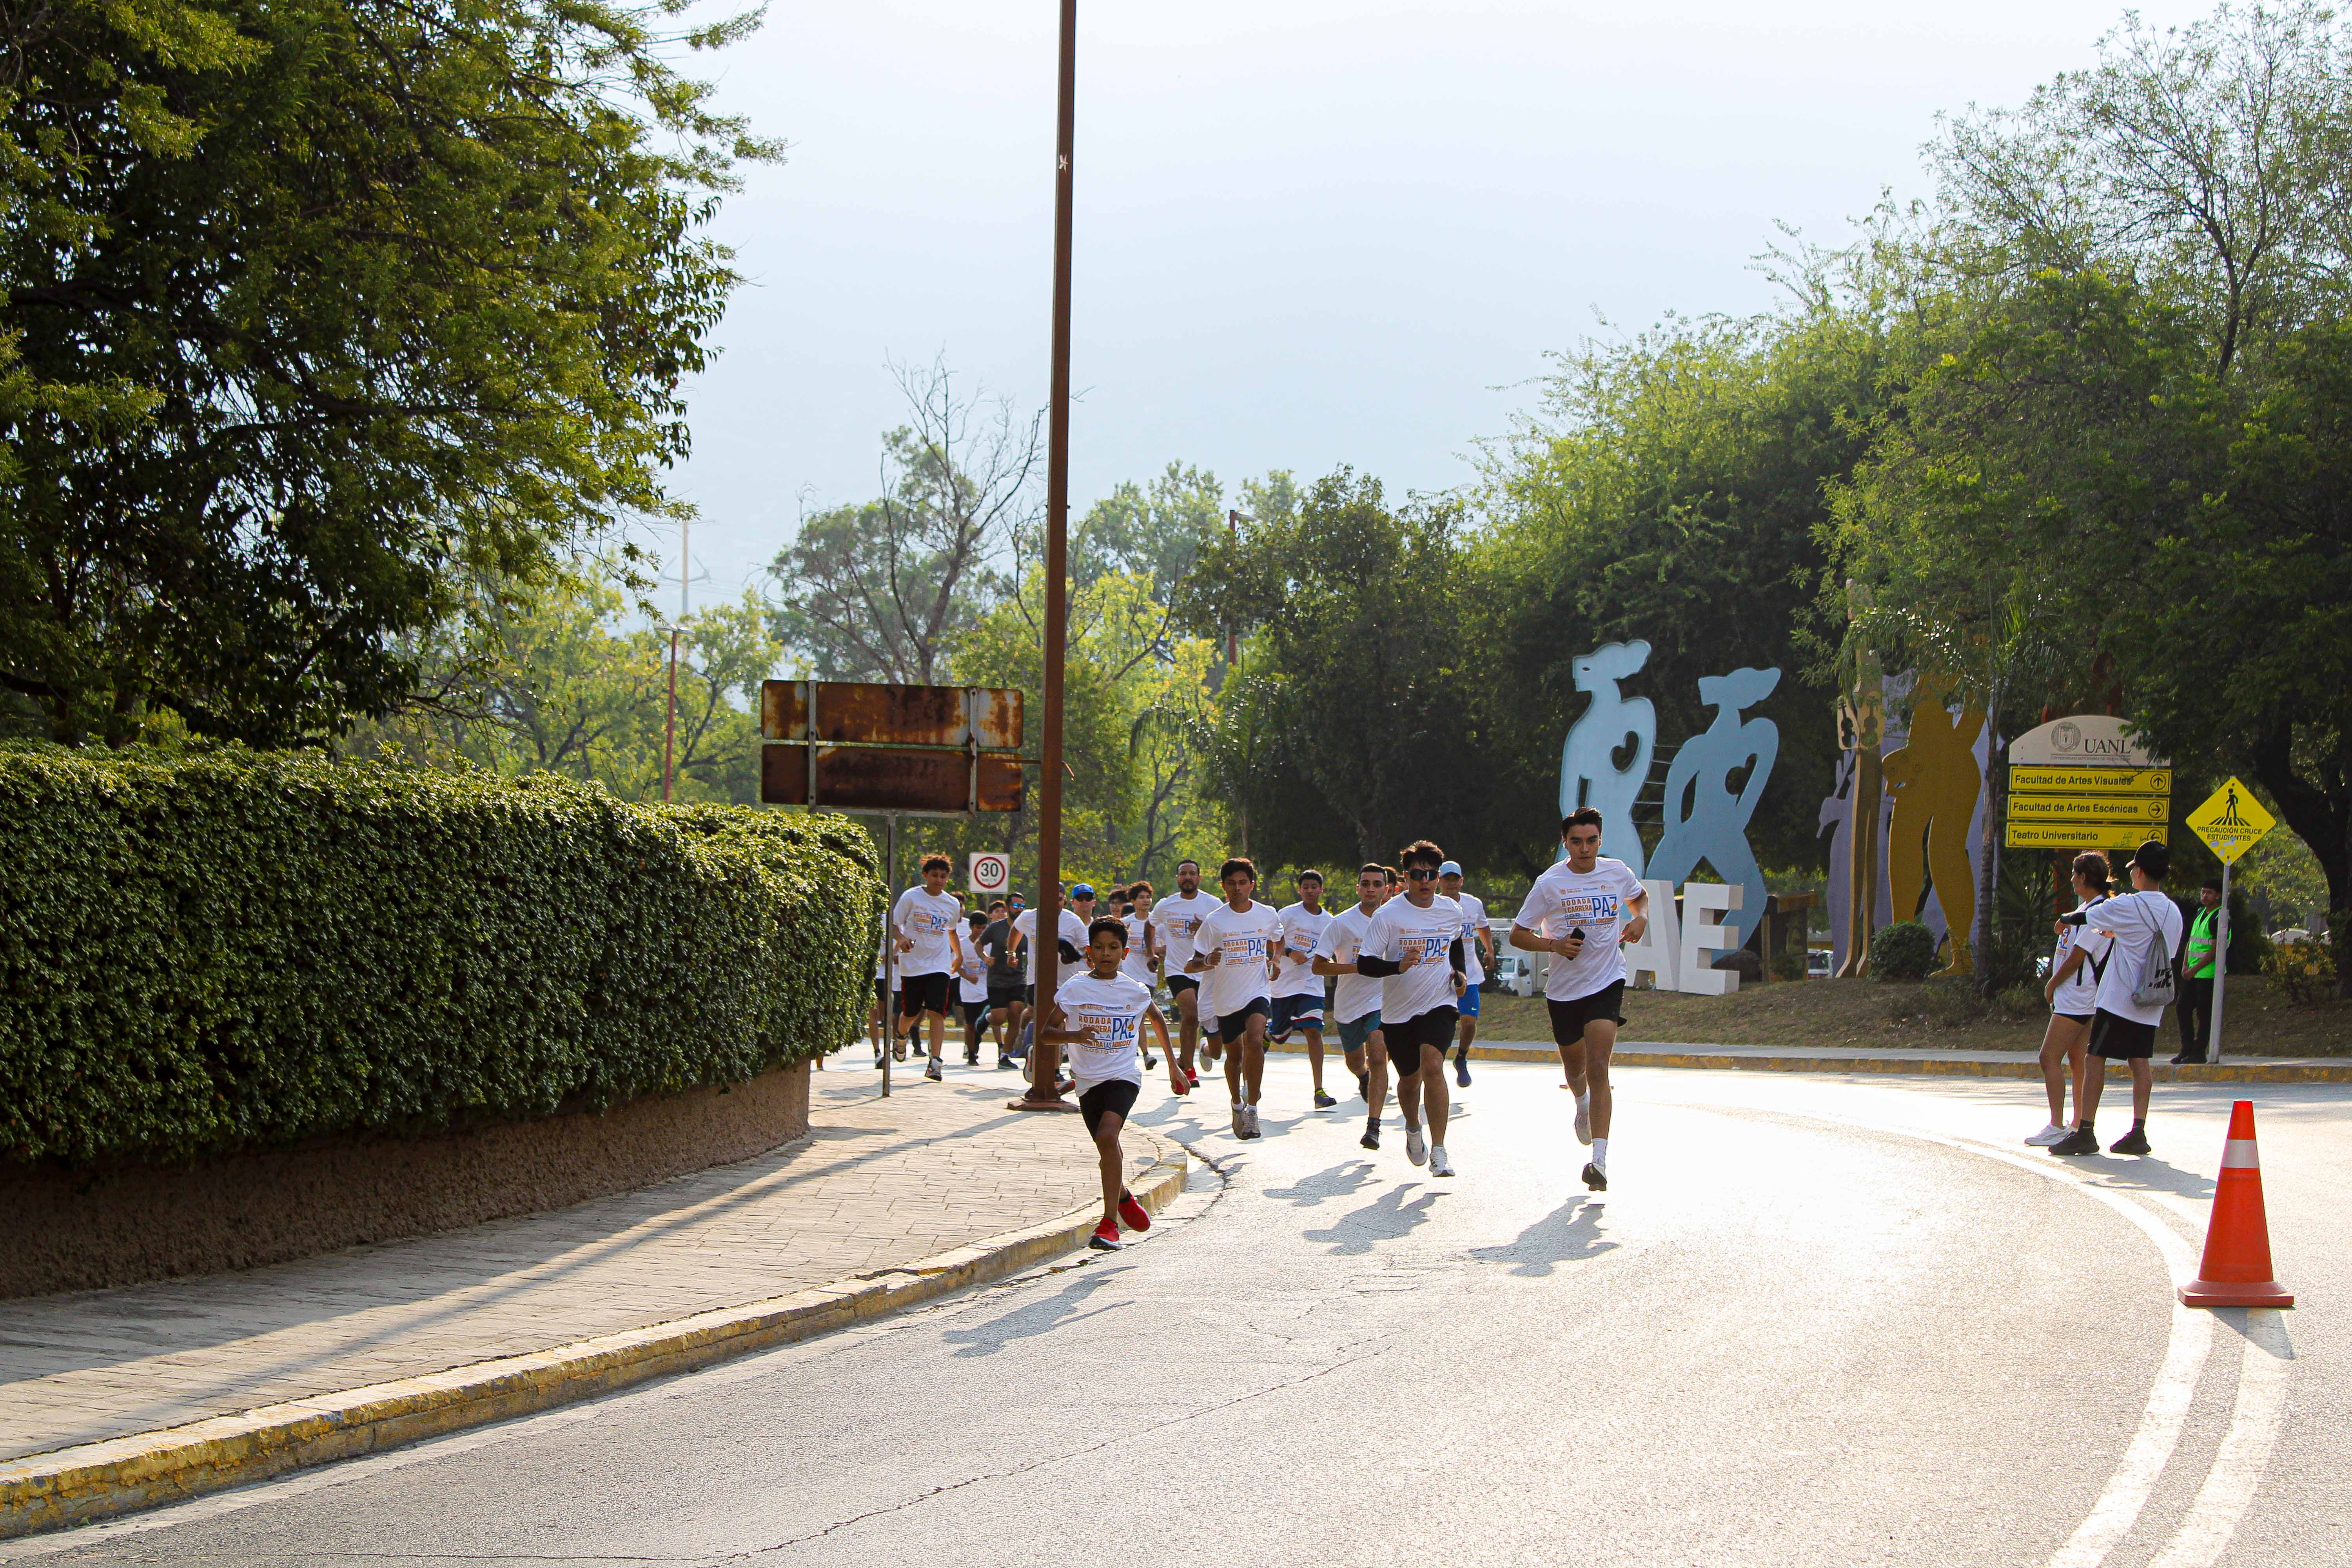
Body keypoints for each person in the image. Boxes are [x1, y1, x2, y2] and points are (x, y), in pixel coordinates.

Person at [1511, 808, 1649, 1192]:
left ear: (1600, 840)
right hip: (1564, 989)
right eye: (1576, 842)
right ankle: (1581, 1104)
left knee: (1598, 1066)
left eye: (1591, 841)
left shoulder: (1617, 872)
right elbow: (1519, 935)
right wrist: (1553, 944)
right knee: (1576, 1070)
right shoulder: (1549, 883)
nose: (1585, 849)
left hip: (1607, 980)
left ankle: (1600, 1161)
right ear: (1565, 843)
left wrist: (1641, 919)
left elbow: (1641, 899)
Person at [1034, 917, 1191, 1250]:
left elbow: (1157, 1018)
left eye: (1114, 948)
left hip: (1123, 1076)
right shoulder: (1075, 988)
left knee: (1108, 1136)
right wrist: (1075, 1035)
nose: (1107, 954)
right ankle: (1121, 1196)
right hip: (1088, 1081)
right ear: (1089, 952)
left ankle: (1108, 1224)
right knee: (1107, 1147)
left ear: (1125, 952)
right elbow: (1047, 1034)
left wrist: (1174, 1067)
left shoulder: (1134, 990)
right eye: (1100, 948)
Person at [2049, 839, 2183, 1157]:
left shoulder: (2130, 905)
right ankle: (2138, 1131)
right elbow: (2164, 949)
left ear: (2139, 872)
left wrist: (2065, 919)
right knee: (2141, 1063)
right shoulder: (2173, 911)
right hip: (2151, 1001)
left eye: (2134, 869)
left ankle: (2085, 1131)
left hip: (2118, 999)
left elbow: (2089, 916)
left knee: (2095, 1059)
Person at [1356, 841, 1467, 1175]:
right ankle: (1413, 1128)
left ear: (1439, 877)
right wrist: (1397, 967)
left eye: (1431, 875)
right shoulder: (1388, 916)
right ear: (1405, 878)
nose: (1425, 881)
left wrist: (1459, 974)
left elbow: (1455, 945)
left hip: (1440, 1001)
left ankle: (1440, 1150)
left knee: (1433, 1065)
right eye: (1417, 874)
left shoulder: (1451, 910)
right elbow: (1365, 964)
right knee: (1409, 1078)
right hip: (1398, 1011)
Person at [1186, 857, 1284, 1139]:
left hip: (1257, 990)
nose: (1238, 888)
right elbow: (1192, 964)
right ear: (1223, 886)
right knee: (1234, 1057)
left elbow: (1278, 937)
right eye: (1232, 883)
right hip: (1226, 997)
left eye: (1243, 883)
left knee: (1255, 1040)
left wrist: (1275, 959)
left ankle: (1253, 1110)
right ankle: (1236, 1104)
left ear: (1252, 885)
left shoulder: (1267, 914)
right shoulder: (1215, 921)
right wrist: (1208, 960)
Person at [2029, 853, 2112, 1146]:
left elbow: (2078, 957)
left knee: (2048, 1057)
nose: (2073, 880)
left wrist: (2052, 983)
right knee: (2078, 1059)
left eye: (2077, 875)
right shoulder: (2088, 909)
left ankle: (2056, 1124)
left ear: (2086, 878)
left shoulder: (2100, 912)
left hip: (2077, 995)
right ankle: (2077, 1123)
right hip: (2080, 995)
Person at [1314, 863, 1394, 1150]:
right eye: (1366, 884)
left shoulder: (1396, 920)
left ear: (1387, 889)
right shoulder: (1342, 923)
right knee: (1355, 1062)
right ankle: (1363, 1077)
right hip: (1349, 1004)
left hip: (1383, 1000)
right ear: (1358, 888)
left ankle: (1373, 1127)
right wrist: (1358, 968)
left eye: (1377, 884)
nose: (1371, 889)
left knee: (1378, 1052)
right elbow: (1319, 965)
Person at [891, 854, 966, 1082]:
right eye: (935, 875)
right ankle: (901, 1036)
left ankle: (935, 1061)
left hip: (939, 965)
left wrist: (959, 955)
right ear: (926, 876)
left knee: (937, 1011)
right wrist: (902, 940)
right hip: (913, 965)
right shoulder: (912, 897)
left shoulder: (952, 904)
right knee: (912, 1013)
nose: (939, 880)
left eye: (943, 877)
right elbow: (895, 926)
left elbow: (952, 932)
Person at [1012, 885, 1090, 1098]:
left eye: (1059, 899)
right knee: (1045, 1019)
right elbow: (1016, 930)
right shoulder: (1029, 917)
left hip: (1064, 980)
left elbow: (1086, 949)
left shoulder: (1073, 921)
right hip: (1036, 978)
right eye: (1050, 898)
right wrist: (1011, 953)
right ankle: (1040, 1060)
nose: (1055, 903)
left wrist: (1072, 955)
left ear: (1064, 901)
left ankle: (1049, 1066)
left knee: (1058, 1023)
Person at [1272, 870, 1339, 1109]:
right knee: (1277, 1036)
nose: (1310, 891)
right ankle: (1269, 1038)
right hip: (1284, 986)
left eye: (1314, 887)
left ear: (1322, 890)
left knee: (1313, 1031)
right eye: (1306, 887)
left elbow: (1330, 951)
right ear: (1300, 890)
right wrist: (1290, 953)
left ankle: (1319, 1090)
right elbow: (1273, 942)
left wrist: (1330, 963)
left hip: (1312, 985)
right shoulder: (1288, 914)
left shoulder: (1329, 921)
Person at [1156, 859, 1221, 1085]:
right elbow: (1150, 924)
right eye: (1183, 873)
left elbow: (1225, 931)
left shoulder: (1213, 904)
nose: (1188, 877)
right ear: (1178, 879)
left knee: (1207, 1024)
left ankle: (1198, 1052)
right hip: (1177, 968)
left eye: (1192, 874)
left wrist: (1203, 928)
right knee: (1191, 1015)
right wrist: (1150, 952)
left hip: (1206, 970)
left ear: (1199, 878)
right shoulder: (1166, 905)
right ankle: (1188, 1067)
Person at [1438, 861, 1493, 1089]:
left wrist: (1489, 950)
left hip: (1468, 973)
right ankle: (1434, 1063)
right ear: (1439, 881)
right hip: (1439, 976)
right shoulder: (1433, 905)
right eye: (1447, 879)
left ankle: (1461, 1057)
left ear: (1461, 881)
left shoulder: (1473, 904)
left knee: (1469, 1022)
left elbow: (1483, 926)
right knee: (1442, 1025)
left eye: (1455, 879)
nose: (1451, 883)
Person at [2172, 878, 2223, 1064]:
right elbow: (2192, 941)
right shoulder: (2201, 913)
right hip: (2191, 974)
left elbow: (2216, 949)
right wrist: (2185, 966)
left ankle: (2199, 1051)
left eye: (2209, 893)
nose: (2204, 896)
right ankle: (2186, 1049)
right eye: (2203, 892)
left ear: (2217, 895)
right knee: (2182, 1008)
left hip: (2207, 975)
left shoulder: (2220, 917)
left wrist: (2194, 969)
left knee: (2204, 1014)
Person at [1121, 880, 1169, 1071]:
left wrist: (1152, 949)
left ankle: (1140, 1052)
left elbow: (1167, 948)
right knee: (1135, 1015)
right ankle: (1145, 1054)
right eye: (1141, 897)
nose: (1146, 900)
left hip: (1148, 977)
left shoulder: (1159, 925)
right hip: (1128, 976)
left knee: (1140, 1015)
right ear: (1133, 901)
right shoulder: (1126, 924)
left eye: (1148, 896)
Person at [978, 898, 1024, 1069]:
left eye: (1022, 906)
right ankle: (987, 1018)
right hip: (997, 979)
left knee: (1015, 1014)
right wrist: (985, 958)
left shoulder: (1026, 927)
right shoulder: (996, 927)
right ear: (1008, 908)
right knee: (999, 1018)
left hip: (1018, 978)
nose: (1019, 909)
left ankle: (1005, 1056)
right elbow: (979, 945)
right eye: (1016, 906)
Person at [956, 910, 995, 1066]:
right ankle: (972, 1054)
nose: (980, 931)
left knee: (990, 1018)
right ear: (972, 927)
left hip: (987, 989)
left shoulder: (990, 945)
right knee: (970, 1023)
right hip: (969, 991)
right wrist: (967, 977)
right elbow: (956, 966)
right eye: (978, 928)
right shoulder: (963, 944)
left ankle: (980, 1044)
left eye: (984, 928)